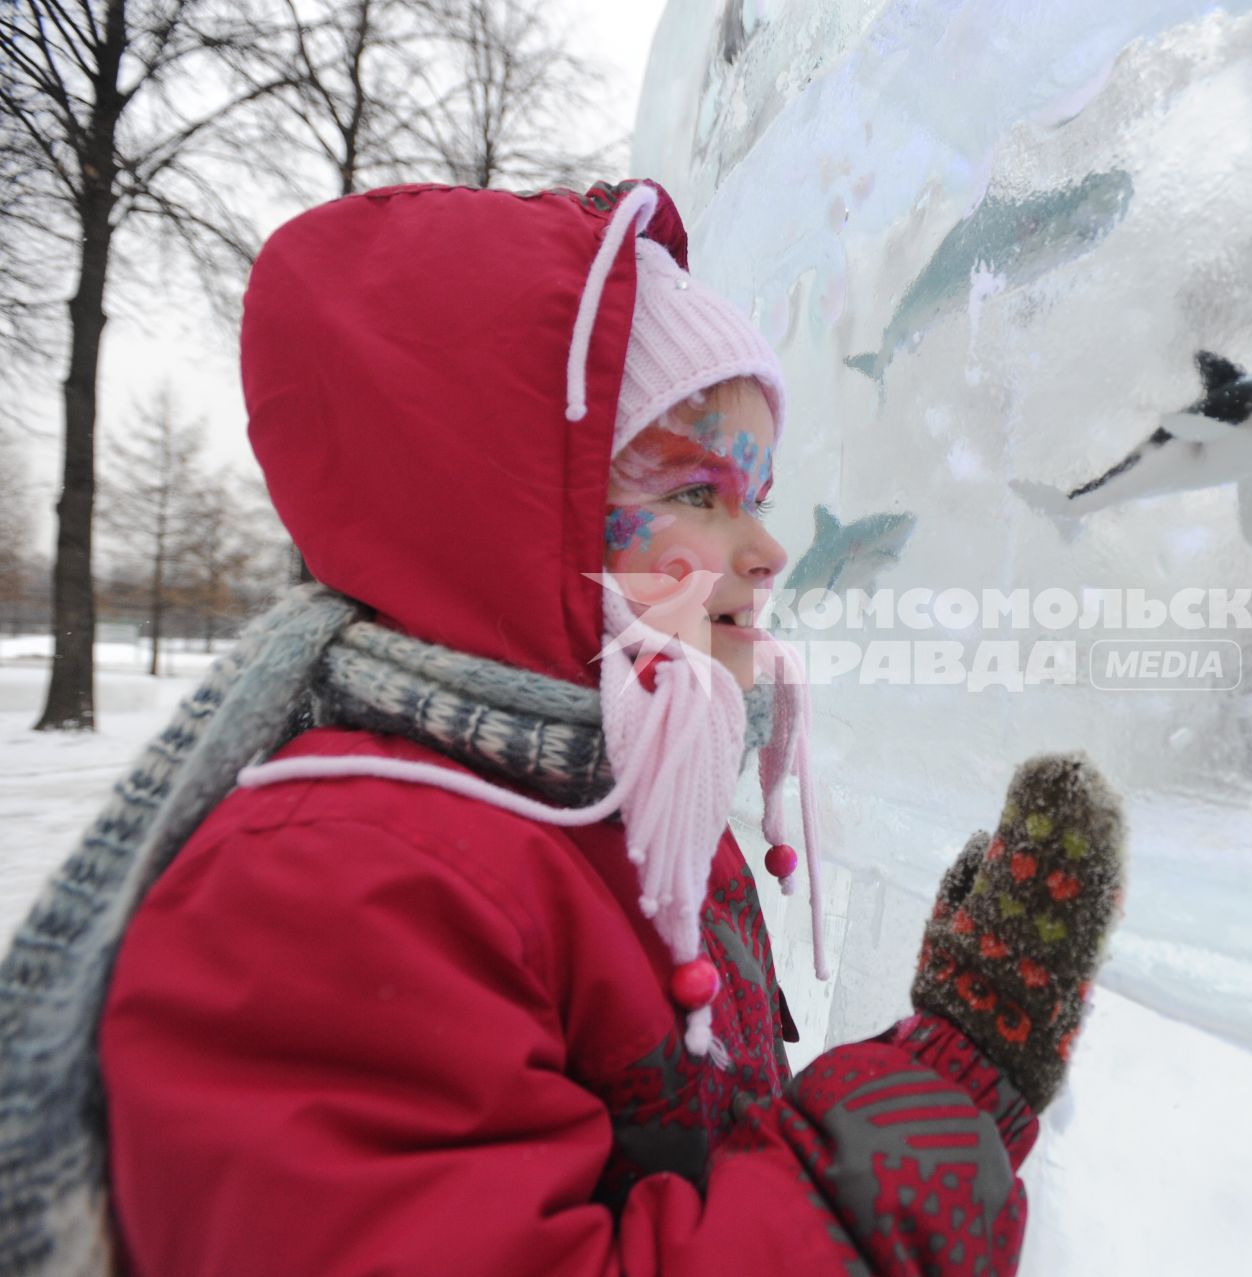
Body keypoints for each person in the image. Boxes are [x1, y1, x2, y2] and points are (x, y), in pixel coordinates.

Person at [0, 179, 1126, 1276]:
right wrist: (939, 1104)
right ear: (501, 514)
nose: (769, 549)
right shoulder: (338, 885)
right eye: (697, 491)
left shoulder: (591, 799)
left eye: (760, 493)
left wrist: (947, 1077)